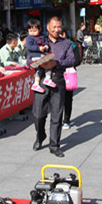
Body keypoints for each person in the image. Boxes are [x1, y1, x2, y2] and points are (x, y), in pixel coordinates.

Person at [32, 16, 75, 158]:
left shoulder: (66, 43)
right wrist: (40, 62)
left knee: (57, 114)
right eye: (54, 27)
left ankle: (54, 145)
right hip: (42, 79)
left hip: (58, 80)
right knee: (38, 114)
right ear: (48, 27)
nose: (56, 30)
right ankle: (40, 136)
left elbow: (72, 59)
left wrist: (56, 63)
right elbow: (29, 57)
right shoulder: (40, 41)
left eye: (59, 27)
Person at [26, 18, 55, 93]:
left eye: (34, 31)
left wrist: (46, 46)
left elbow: (46, 42)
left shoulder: (42, 36)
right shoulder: (29, 38)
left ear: (40, 29)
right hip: (34, 56)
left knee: (47, 64)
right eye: (30, 31)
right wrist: (38, 48)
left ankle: (45, 79)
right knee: (43, 66)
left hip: (42, 55)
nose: (32, 33)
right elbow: (29, 47)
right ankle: (38, 82)